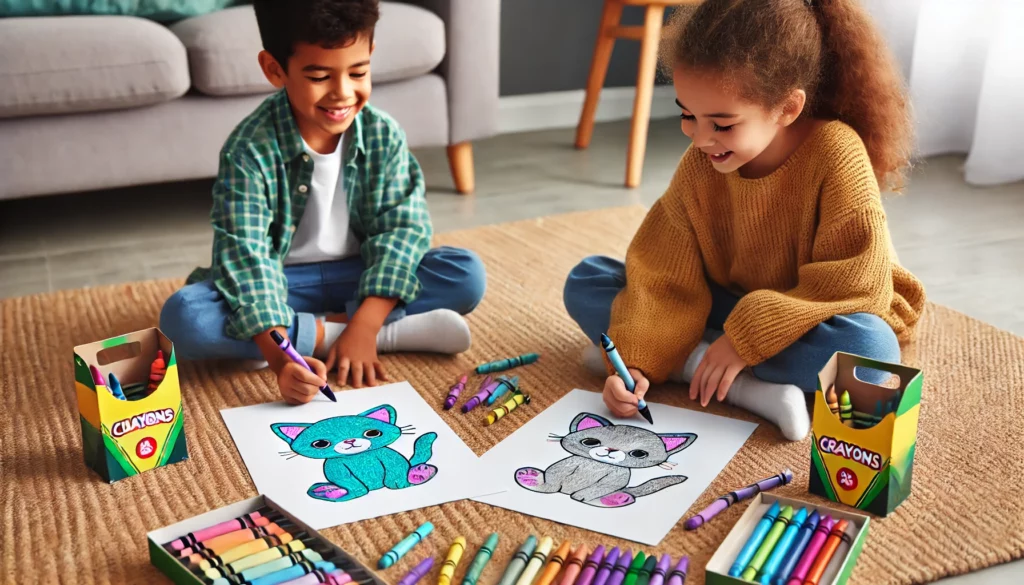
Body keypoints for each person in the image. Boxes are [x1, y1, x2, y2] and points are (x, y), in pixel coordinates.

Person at [562, 0, 925, 441]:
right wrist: (637, 359)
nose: (701, 137)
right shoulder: (703, 159)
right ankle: (729, 378)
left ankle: (693, 359)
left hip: (810, 312)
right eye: (687, 115)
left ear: (788, 108)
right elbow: (661, 269)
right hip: (724, 301)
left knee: (871, 350)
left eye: (723, 123)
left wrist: (745, 338)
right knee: (588, 280)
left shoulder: (836, 153)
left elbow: (856, 283)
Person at [160, 0, 486, 404]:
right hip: (282, 282)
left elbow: (402, 231)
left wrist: (364, 328)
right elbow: (246, 258)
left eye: (359, 72)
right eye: (319, 76)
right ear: (274, 69)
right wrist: (282, 362)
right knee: (185, 318)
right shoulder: (248, 149)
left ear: (371, 56)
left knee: (465, 273)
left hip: (360, 271)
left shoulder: (383, 134)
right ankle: (381, 333)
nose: (343, 93)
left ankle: (332, 332)